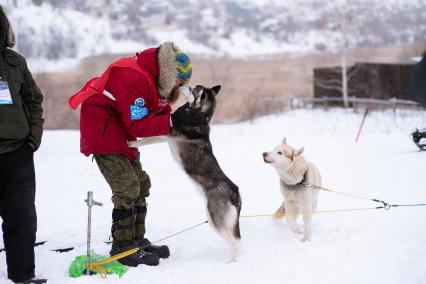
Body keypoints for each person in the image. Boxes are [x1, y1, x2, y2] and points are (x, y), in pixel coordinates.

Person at [69, 42, 205, 267]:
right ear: (171, 75)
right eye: (181, 82)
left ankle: (137, 241)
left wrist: (179, 119)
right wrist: (172, 122)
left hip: (122, 126)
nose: (182, 87)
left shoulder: (159, 80)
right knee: (127, 186)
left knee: (141, 183)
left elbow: (159, 112)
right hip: (103, 128)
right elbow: (137, 126)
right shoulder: (134, 78)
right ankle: (122, 248)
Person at [0, 5, 46, 284]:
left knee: (21, 218)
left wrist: (33, 137)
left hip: (17, 152)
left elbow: (33, 99)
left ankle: (22, 275)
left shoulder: (15, 62)